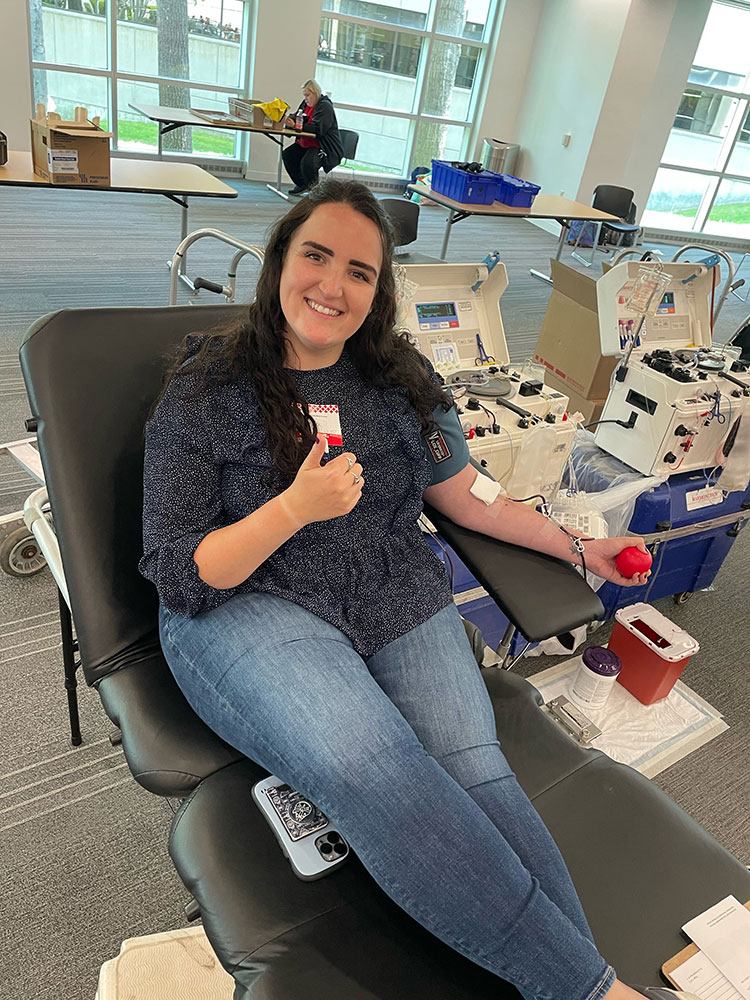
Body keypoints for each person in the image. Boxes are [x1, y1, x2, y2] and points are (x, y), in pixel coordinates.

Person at [140, 179, 692, 1000]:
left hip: (387, 584)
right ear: (278, 263)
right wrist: (293, 509)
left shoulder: (399, 379)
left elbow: (468, 494)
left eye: (360, 271)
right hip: (250, 600)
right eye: (316, 256)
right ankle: (588, 990)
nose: (333, 286)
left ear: (379, 290)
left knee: (476, 771)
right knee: (379, 768)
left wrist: (583, 549)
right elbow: (182, 567)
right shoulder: (204, 391)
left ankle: (579, 976)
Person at [281, 79, 343, 196]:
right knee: (288, 155)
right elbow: (297, 116)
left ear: (315, 93)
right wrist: (290, 121)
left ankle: (316, 192)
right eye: (304, 95)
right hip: (305, 142)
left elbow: (318, 129)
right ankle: (303, 184)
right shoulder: (305, 104)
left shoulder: (325, 106)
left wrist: (295, 125)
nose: (305, 98)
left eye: (307, 95)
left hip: (322, 145)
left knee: (308, 163)